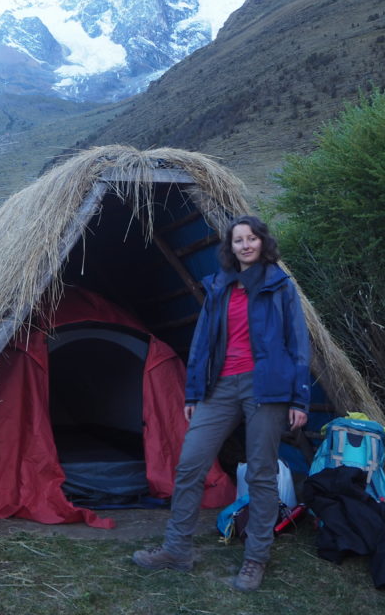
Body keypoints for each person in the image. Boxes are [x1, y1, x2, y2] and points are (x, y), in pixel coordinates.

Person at [132, 215, 312, 592]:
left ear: (262, 242)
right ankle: (177, 550)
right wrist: (194, 393)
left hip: (267, 388)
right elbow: (201, 346)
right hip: (221, 387)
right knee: (190, 464)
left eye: (251, 239)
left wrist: (300, 399)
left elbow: (298, 344)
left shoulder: (280, 286)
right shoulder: (219, 287)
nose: (245, 245)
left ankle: (255, 559)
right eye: (237, 240)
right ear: (229, 248)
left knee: (262, 474)